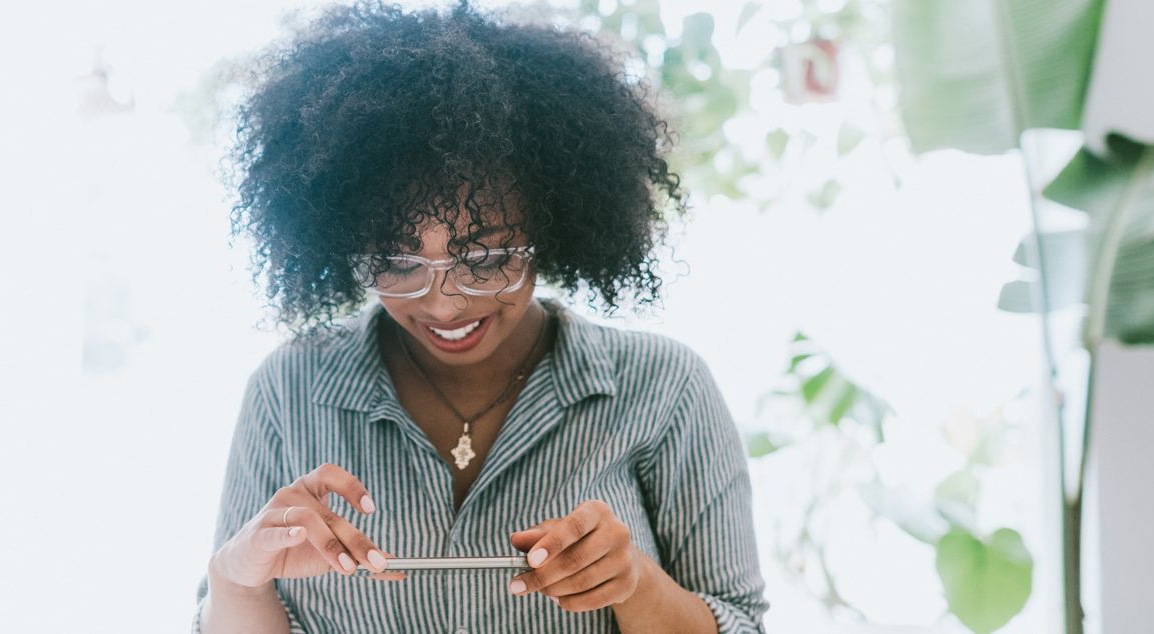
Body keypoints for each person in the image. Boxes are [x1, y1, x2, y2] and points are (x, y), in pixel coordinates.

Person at [194, 1, 766, 631]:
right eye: (396, 260)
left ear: (553, 225)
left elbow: (740, 622)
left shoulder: (662, 388)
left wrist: (635, 584)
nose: (443, 303)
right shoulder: (289, 389)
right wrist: (235, 580)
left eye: (487, 256)